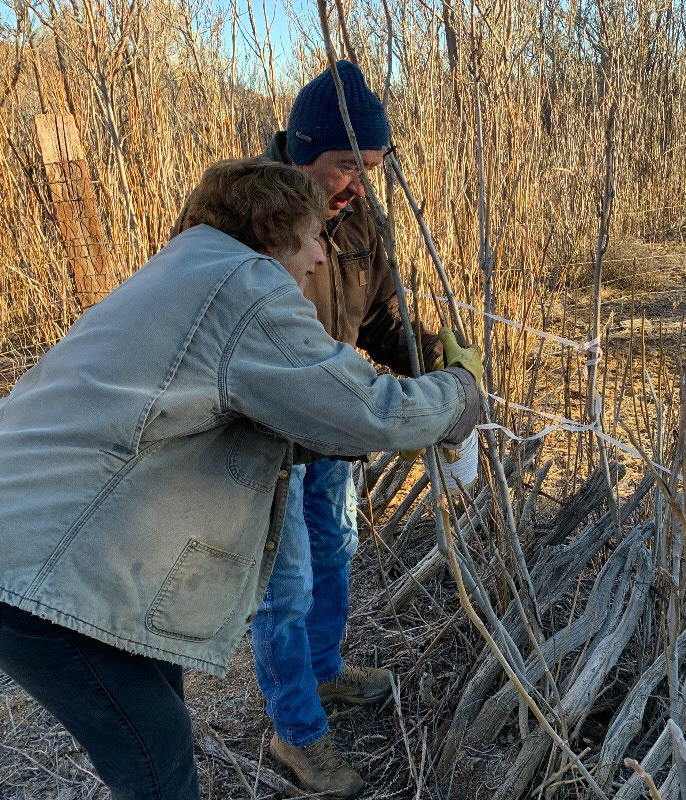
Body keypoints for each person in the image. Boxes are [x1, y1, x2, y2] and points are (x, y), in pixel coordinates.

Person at [0, 157, 482, 800]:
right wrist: (458, 393)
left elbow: (221, 411)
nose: (321, 256)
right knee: (155, 751)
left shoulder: (180, 268)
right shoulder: (247, 286)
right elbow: (368, 409)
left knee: (156, 704)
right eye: (312, 237)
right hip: (28, 562)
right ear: (271, 235)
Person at [252, 60, 451, 797]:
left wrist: (441, 366)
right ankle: (296, 732)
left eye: (371, 166)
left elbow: (382, 319)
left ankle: (324, 671)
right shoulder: (246, 221)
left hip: (334, 427)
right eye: (346, 164)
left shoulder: (363, 218)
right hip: (265, 437)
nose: (360, 183)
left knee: (336, 548)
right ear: (303, 151)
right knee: (285, 588)